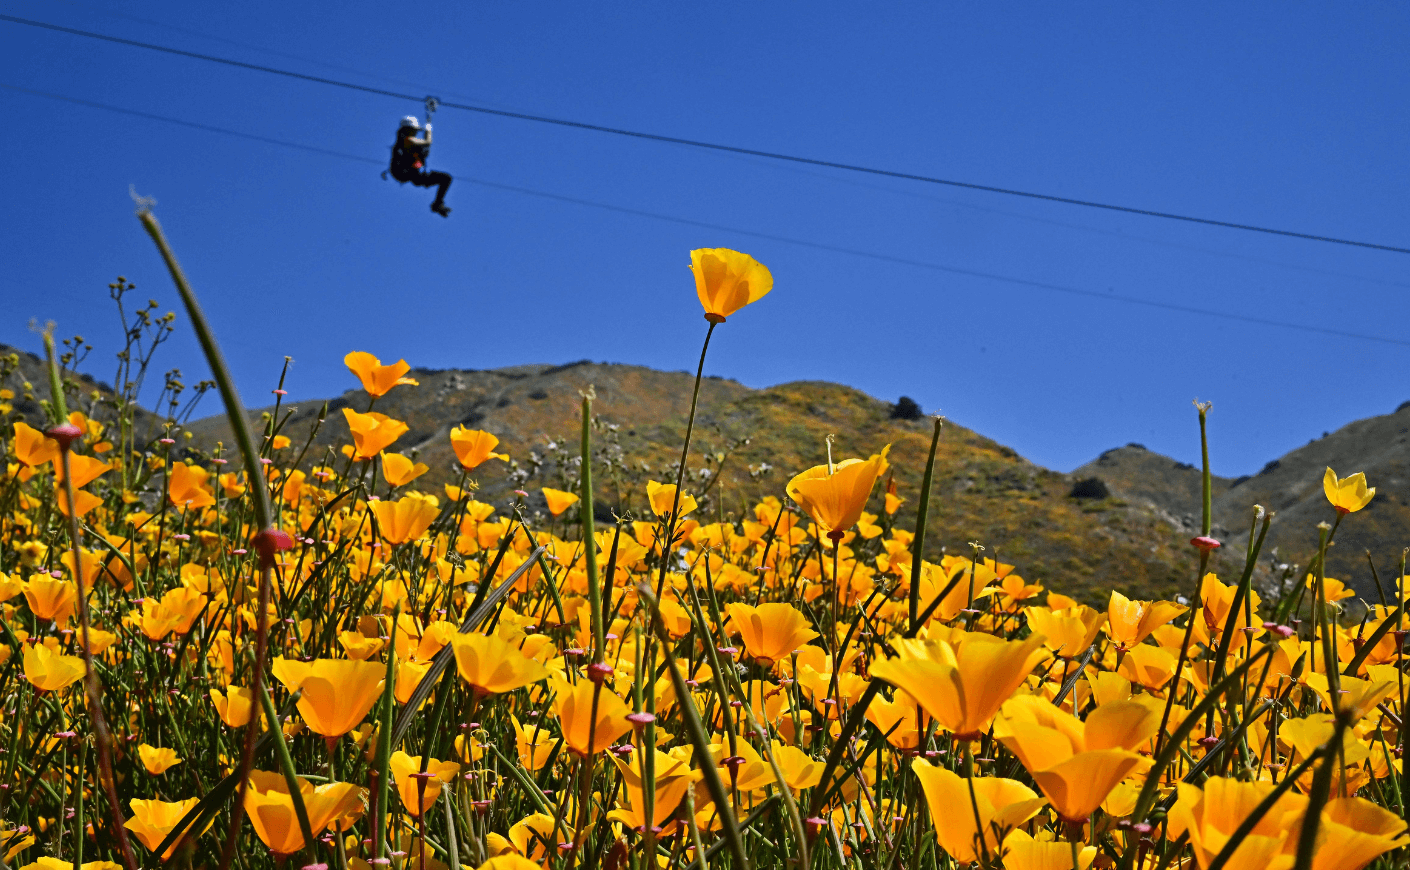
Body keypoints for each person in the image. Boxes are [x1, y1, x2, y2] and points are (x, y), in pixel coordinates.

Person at [388, 115, 452, 217]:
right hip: (411, 173)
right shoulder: (408, 140)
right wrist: (429, 128)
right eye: (415, 130)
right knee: (446, 178)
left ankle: (438, 204)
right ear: (409, 130)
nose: (416, 132)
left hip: (412, 173)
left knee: (445, 179)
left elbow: (424, 149)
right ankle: (437, 204)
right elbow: (427, 141)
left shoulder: (404, 142)